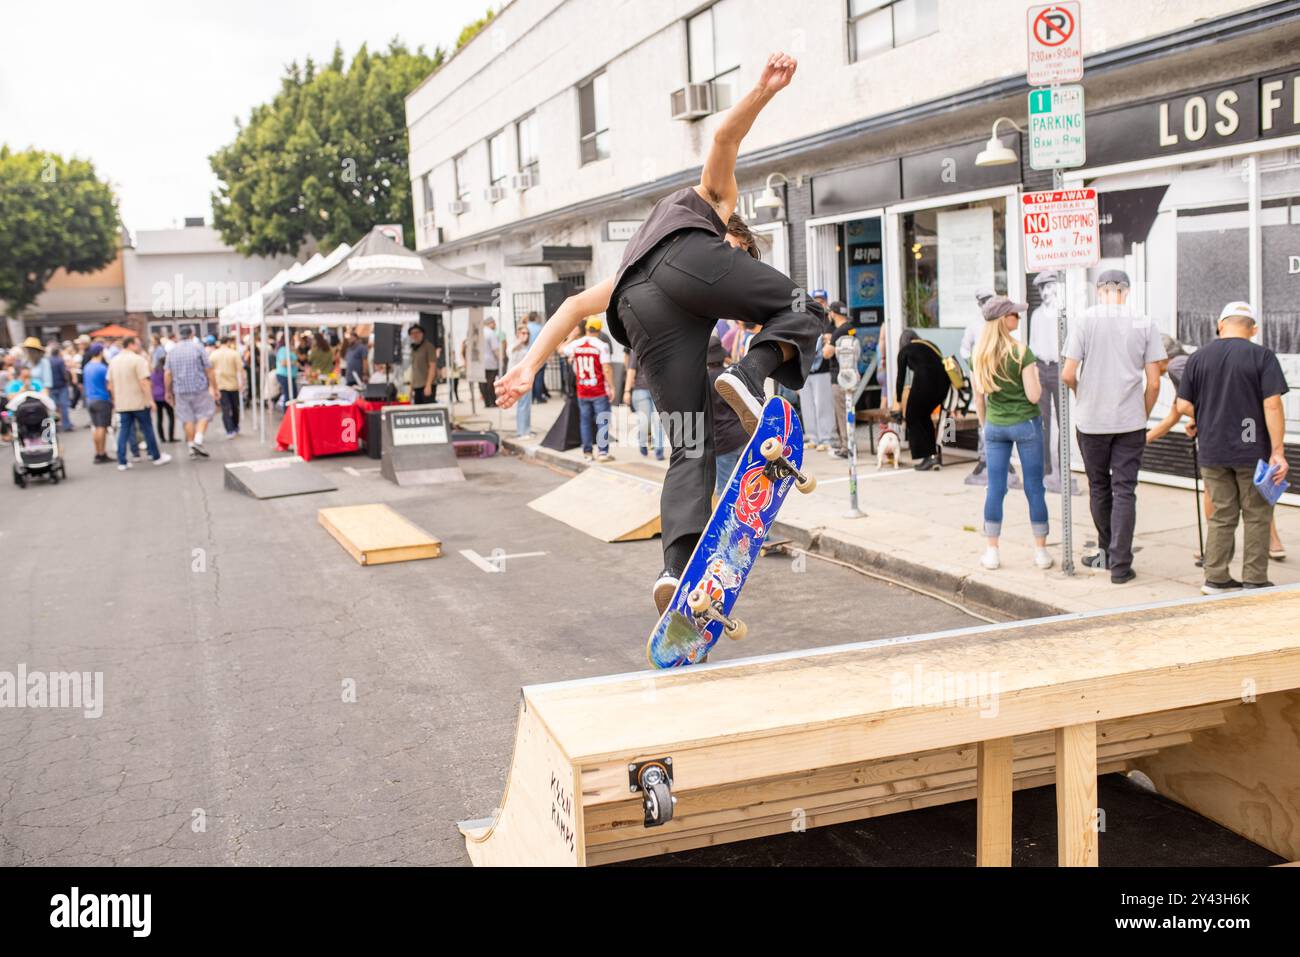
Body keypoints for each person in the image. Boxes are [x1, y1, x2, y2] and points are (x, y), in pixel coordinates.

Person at [494, 52, 821, 611]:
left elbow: (574, 305)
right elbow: (722, 138)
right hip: (686, 264)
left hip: (637, 308)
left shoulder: (629, 262)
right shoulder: (716, 206)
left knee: (689, 444)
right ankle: (748, 373)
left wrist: (527, 364)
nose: (734, 306)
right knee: (803, 304)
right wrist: (764, 91)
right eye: (740, 259)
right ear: (734, 238)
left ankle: (676, 569)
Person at [1175, 302, 1289, 594]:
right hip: (1252, 449)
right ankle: (1254, 578)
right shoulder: (1262, 356)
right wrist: (1278, 451)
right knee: (1257, 514)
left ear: (1220, 324)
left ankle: (1215, 577)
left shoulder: (1198, 357)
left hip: (1212, 448)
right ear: (1253, 329)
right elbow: (1272, 404)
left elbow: (1183, 405)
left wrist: (1202, 419)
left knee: (1222, 513)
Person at [1062, 269, 1165, 584]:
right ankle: (1120, 565)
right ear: (1127, 292)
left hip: (1092, 422)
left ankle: (1105, 553)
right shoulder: (1144, 322)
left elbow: (1067, 374)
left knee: (1099, 486)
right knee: (1125, 490)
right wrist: (1142, 414)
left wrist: (1084, 396)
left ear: (1099, 291)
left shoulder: (1084, 320)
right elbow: (1155, 382)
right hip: (1130, 422)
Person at [971, 296, 1052, 571]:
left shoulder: (979, 355)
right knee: (1033, 487)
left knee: (995, 488)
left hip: (995, 426)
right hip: (1026, 425)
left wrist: (986, 425)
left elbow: (979, 399)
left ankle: (992, 551)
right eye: (1014, 315)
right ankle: (1040, 552)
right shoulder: (1021, 352)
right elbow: (1033, 395)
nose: (1018, 319)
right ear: (1003, 320)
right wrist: (1037, 380)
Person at [1028, 271, 1067, 490]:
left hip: (1060, 367)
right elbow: (1033, 344)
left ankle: (1064, 468)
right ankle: (1045, 468)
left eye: (1048, 287)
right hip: (1042, 367)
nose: (1045, 292)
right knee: (1042, 421)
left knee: (1063, 421)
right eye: (1042, 288)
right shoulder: (1037, 315)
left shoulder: (1063, 313)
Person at [107, 336, 171, 470]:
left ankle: (122, 461)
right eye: (138, 344)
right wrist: (150, 400)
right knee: (147, 428)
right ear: (131, 344)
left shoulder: (114, 361)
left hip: (122, 403)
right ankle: (155, 456)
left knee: (124, 431)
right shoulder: (138, 360)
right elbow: (144, 382)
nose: (140, 346)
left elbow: (110, 384)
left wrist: (114, 400)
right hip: (138, 402)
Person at [560, 317, 615, 463]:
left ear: (586, 329)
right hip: (598, 390)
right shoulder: (602, 345)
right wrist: (612, 386)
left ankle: (587, 452)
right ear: (599, 330)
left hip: (582, 390)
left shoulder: (576, 344)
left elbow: (560, 350)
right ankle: (603, 452)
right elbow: (607, 368)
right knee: (602, 420)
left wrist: (571, 336)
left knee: (584, 421)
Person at [894, 329, 950, 470]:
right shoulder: (930, 345)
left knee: (912, 416)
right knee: (924, 417)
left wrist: (899, 403)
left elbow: (900, 379)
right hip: (943, 385)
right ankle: (933, 456)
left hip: (926, 382)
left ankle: (926, 456)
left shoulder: (905, 350)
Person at [164, 327, 219, 459]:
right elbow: (209, 369)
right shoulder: (198, 348)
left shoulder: (172, 351)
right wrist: (214, 387)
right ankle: (198, 441)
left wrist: (168, 391)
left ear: (179, 335)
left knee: (187, 418)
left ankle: (191, 446)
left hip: (181, 390)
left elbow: (167, 373)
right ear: (192, 334)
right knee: (204, 414)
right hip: (199, 388)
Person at [707, 333, 748, 496]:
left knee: (724, 492)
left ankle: (731, 522)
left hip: (723, 441)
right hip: (743, 435)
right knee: (744, 487)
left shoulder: (704, 380)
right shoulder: (732, 374)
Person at [799, 300, 836, 452]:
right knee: (807, 405)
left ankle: (827, 438)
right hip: (805, 369)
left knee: (823, 404)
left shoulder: (828, 323)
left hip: (822, 369)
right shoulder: (801, 324)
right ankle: (813, 437)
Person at [624, 348, 665, 460]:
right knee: (644, 421)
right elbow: (631, 370)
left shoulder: (662, 346)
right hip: (641, 390)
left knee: (659, 421)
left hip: (659, 390)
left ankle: (659, 450)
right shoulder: (636, 347)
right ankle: (642, 442)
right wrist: (627, 391)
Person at [81, 344, 114, 463]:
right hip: (102, 399)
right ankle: (101, 453)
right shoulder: (102, 368)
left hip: (91, 399)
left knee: (96, 427)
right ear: (100, 352)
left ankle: (99, 452)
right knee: (102, 427)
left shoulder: (87, 367)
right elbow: (109, 385)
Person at [211, 335, 243, 437]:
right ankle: (235, 426)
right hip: (233, 384)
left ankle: (229, 430)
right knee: (235, 407)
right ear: (228, 342)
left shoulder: (214, 354)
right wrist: (241, 383)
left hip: (220, 385)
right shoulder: (234, 354)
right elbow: (240, 370)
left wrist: (212, 386)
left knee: (225, 408)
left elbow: (210, 370)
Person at [507, 324, 533, 438]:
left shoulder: (526, 347)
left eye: (527, 333)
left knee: (526, 404)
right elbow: (509, 352)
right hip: (517, 379)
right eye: (523, 333)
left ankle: (525, 430)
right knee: (522, 404)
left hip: (525, 377)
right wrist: (519, 341)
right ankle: (522, 431)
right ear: (518, 334)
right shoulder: (514, 345)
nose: (525, 336)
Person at [150, 348, 176, 444]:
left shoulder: (154, 372)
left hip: (156, 396)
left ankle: (162, 437)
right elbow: (169, 383)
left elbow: (151, 384)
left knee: (159, 418)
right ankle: (171, 436)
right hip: (165, 395)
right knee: (171, 416)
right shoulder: (166, 372)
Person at [408, 324, 438, 405]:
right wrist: (411, 388)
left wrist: (428, 385)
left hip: (427, 385)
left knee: (428, 410)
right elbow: (414, 370)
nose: (415, 335)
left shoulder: (429, 347)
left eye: (417, 332)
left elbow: (432, 367)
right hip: (417, 386)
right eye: (412, 333)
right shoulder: (413, 349)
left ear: (422, 334)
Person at [526, 312, 549, 403]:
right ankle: (538, 398)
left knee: (529, 377)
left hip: (527, 356)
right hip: (540, 356)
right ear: (535, 318)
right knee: (539, 378)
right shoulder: (540, 328)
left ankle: (531, 398)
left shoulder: (525, 328)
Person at [480, 317, 501, 407]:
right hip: (491, 362)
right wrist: (500, 360)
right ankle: (493, 402)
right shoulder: (490, 333)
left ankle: (486, 403)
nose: (495, 325)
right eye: (494, 323)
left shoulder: (478, 332)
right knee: (491, 383)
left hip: (480, 362)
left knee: (482, 383)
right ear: (490, 323)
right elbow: (495, 349)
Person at [274, 334, 298, 410]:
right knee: (289, 397)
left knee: (293, 396)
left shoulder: (288, 349)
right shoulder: (283, 349)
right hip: (285, 375)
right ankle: (287, 415)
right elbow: (283, 363)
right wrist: (294, 363)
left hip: (290, 376)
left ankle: (290, 414)